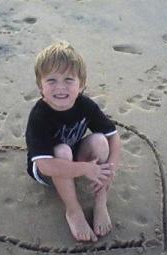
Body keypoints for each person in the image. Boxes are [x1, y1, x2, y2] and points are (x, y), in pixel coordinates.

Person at [25, 41, 122, 242]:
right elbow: (45, 165)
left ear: (82, 84)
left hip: (77, 159)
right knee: (62, 152)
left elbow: (114, 137)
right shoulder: (39, 116)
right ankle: (73, 210)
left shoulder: (85, 105)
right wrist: (86, 169)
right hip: (48, 170)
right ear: (40, 86)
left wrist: (111, 167)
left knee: (100, 141)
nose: (60, 87)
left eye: (68, 79)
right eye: (51, 80)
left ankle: (100, 201)